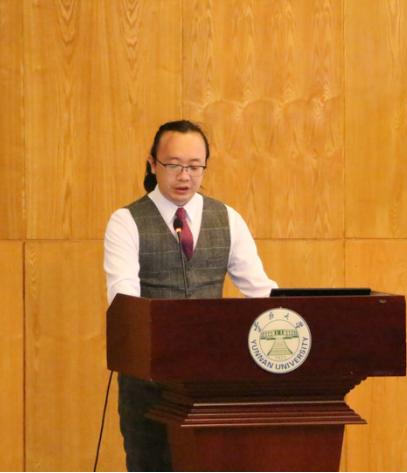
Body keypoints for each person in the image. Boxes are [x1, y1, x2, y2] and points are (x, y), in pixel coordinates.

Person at [104, 120, 277, 472]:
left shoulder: (227, 218)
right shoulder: (126, 221)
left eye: (195, 167)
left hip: (212, 379)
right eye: (174, 165)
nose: (185, 176)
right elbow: (124, 303)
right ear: (152, 164)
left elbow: (261, 291)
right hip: (148, 382)